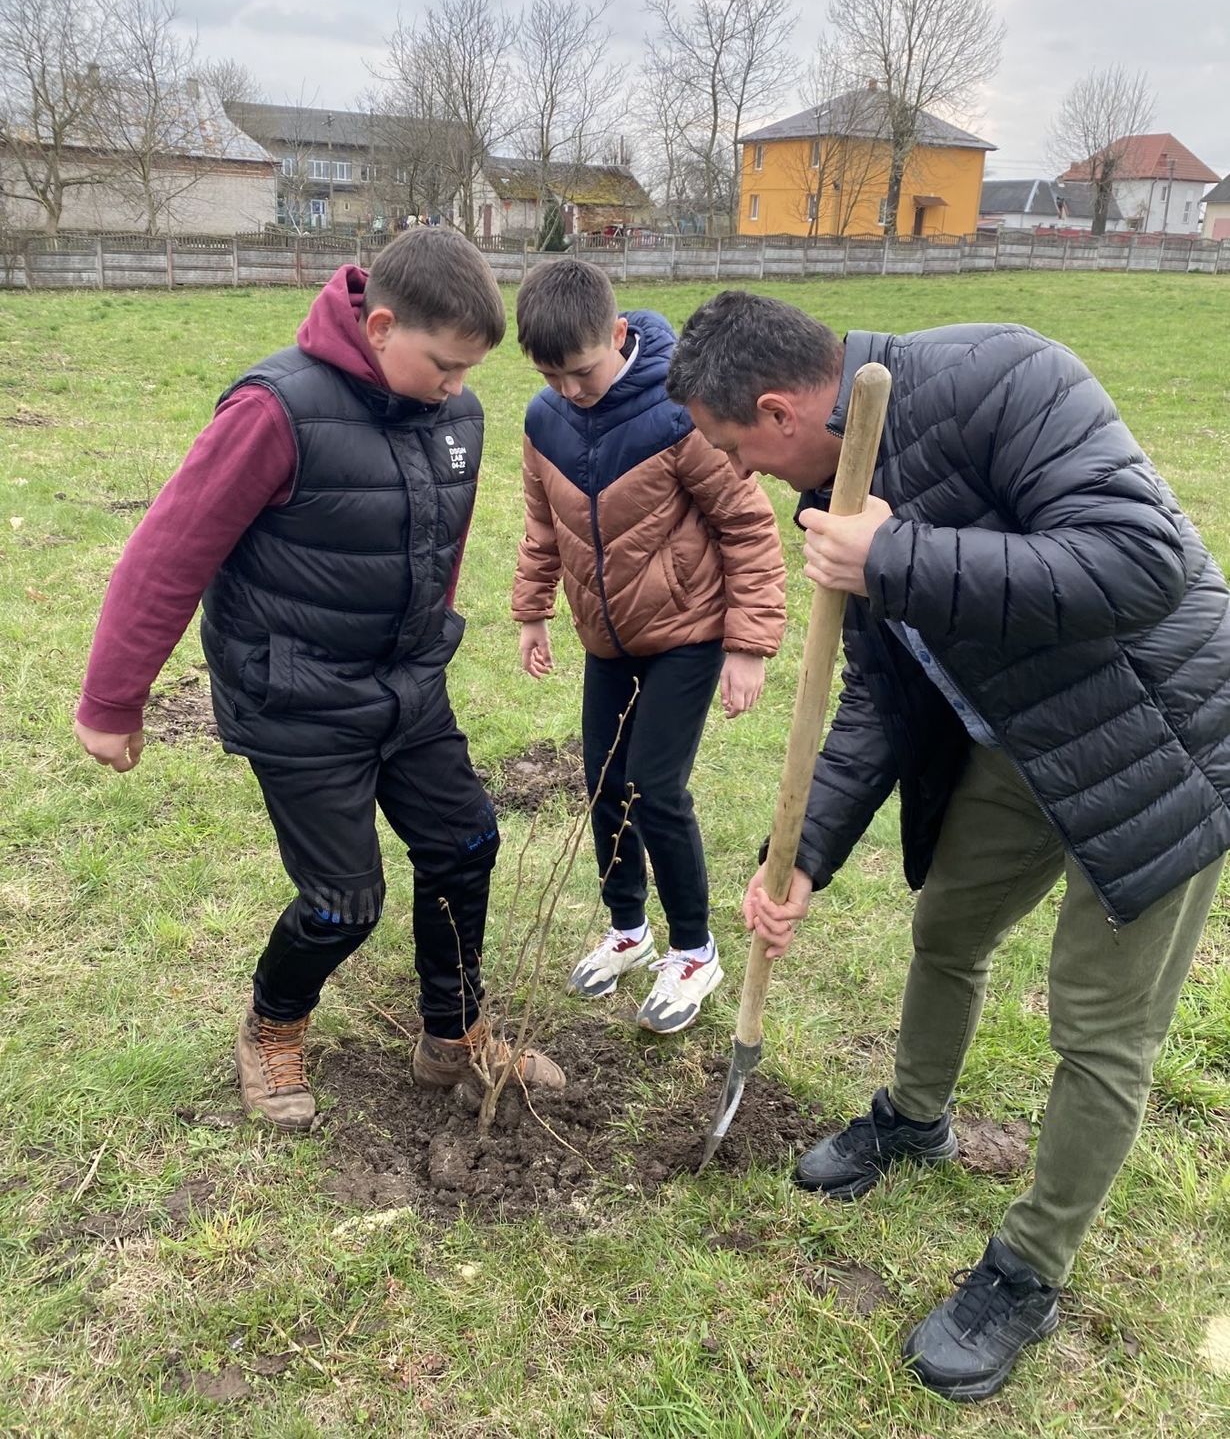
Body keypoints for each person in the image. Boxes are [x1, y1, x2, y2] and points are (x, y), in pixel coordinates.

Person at [665, 290, 1230, 1401]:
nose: (740, 472)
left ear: (779, 411)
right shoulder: (836, 489)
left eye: (737, 448)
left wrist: (899, 556)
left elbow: (1139, 561)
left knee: (1099, 1028)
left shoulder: (1005, 378)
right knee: (947, 927)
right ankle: (913, 1119)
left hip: (1165, 739)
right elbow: (880, 692)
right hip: (1020, 740)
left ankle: (1026, 1269)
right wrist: (804, 858)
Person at [75, 227, 565, 1132]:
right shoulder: (275, 410)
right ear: (380, 327)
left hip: (407, 689)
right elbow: (168, 554)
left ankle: (451, 1036)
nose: (460, 386)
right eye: (445, 364)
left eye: (470, 369)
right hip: (296, 696)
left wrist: (428, 643)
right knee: (345, 904)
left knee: (466, 845)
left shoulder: (457, 415)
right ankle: (271, 1025)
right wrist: (113, 699)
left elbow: (435, 548)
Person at [512, 261, 786, 1033]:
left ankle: (695, 952)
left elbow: (748, 526)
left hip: (688, 635)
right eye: (551, 376)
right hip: (607, 639)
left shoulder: (680, 417)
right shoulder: (545, 422)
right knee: (603, 783)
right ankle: (629, 931)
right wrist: (531, 610)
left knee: (654, 788)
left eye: (581, 371)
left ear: (619, 336)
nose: (570, 389)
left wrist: (748, 646)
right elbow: (542, 525)